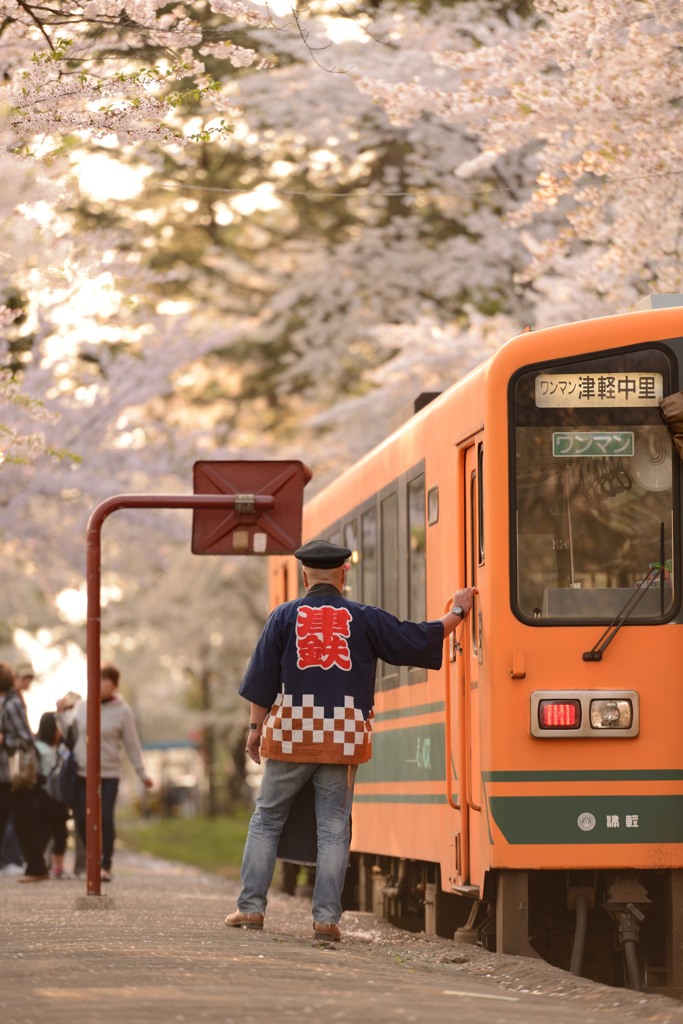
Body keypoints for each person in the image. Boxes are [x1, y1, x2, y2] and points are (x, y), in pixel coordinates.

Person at [225, 538, 476, 941]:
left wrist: (255, 731)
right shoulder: (363, 617)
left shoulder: (284, 616)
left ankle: (250, 909)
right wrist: (458, 612)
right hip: (342, 739)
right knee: (334, 829)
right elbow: (416, 639)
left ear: (305, 576)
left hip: (291, 736)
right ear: (344, 574)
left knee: (267, 820)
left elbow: (262, 682)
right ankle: (326, 920)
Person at [72, 664, 153, 882]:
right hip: (82, 772)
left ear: (114, 685)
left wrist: (142, 772)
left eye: (106, 679)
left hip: (109, 773)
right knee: (81, 818)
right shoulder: (81, 706)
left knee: (105, 817)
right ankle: (93, 859)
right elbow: (71, 734)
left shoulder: (123, 710)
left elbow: (132, 743)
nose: (100, 683)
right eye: (97, 678)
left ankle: (105, 864)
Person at [2, 661, 49, 881]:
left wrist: (4, 740)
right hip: (4, 775)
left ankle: (37, 868)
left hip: (13, 776)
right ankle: (37, 867)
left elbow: (25, 738)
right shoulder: (5, 702)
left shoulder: (11, 704)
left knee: (24, 821)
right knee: (19, 820)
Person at [34, 711, 70, 879]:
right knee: (44, 832)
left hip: (59, 796)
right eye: (57, 729)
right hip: (45, 797)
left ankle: (57, 866)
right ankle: (40, 863)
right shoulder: (39, 748)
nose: (59, 732)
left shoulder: (62, 748)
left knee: (60, 833)